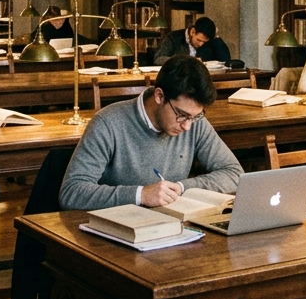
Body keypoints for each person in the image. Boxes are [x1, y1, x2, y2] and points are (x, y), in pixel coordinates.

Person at [60, 55, 242, 210]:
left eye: (195, 117)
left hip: (172, 229)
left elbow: (234, 173)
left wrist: (181, 188)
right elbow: (72, 192)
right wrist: (141, 195)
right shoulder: (108, 123)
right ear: (159, 96)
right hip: (117, 232)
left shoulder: (194, 122)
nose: (187, 126)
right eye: (181, 115)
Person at [152, 17, 230, 65]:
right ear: (192, 32)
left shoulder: (209, 41)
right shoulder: (173, 38)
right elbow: (158, 59)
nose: (201, 44)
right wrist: (185, 60)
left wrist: (217, 38)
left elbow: (226, 60)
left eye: (204, 42)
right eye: (199, 40)